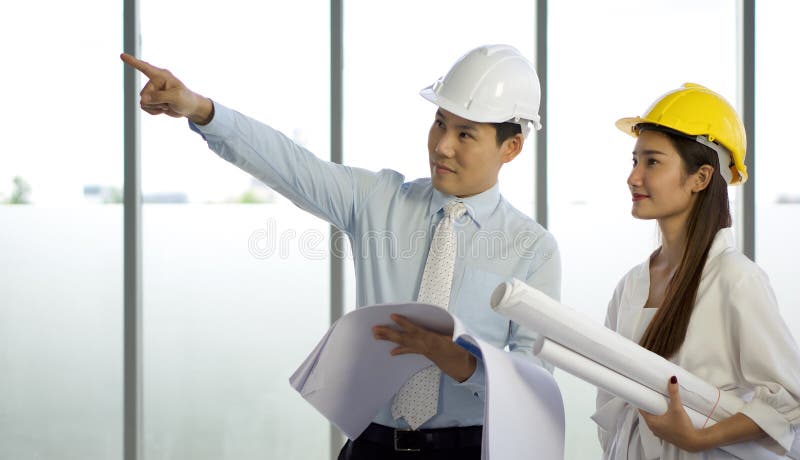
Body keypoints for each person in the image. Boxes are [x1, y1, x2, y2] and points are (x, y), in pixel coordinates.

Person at [121, 44, 561, 460]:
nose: (442, 145)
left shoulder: (532, 250)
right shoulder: (379, 200)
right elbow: (290, 164)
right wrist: (201, 109)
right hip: (370, 446)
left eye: (465, 134)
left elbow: (530, 384)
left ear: (511, 147)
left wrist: (456, 359)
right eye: (440, 123)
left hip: (468, 449)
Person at [594, 83, 800, 459]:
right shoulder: (631, 286)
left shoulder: (736, 280)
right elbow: (611, 400)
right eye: (634, 160)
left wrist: (699, 439)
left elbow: (790, 399)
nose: (633, 177)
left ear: (701, 178)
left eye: (652, 161)